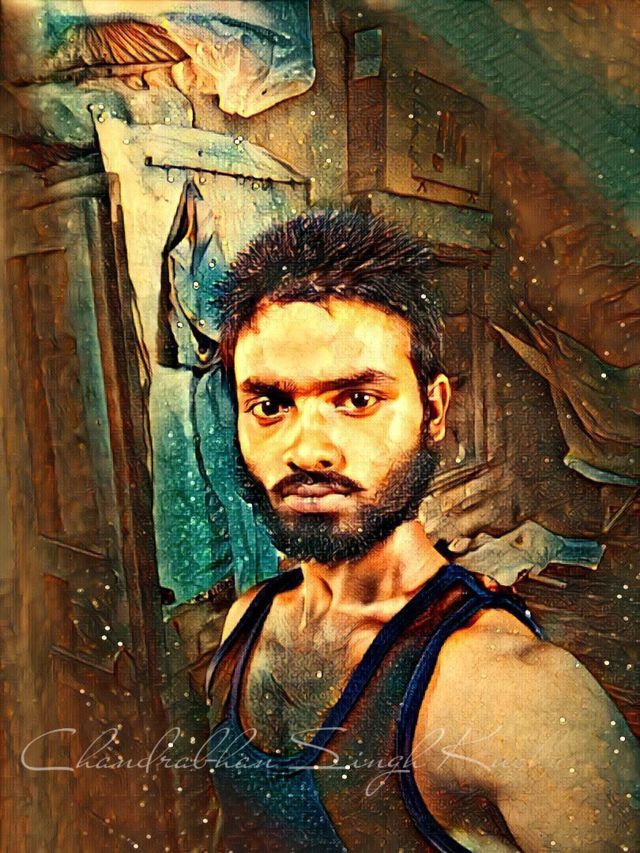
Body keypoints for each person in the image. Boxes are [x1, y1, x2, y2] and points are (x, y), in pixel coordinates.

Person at [203, 210, 637, 852]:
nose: (307, 450)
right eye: (270, 405)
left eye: (357, 400)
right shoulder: (247, 620)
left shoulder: (520, 692)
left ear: (433, 411)